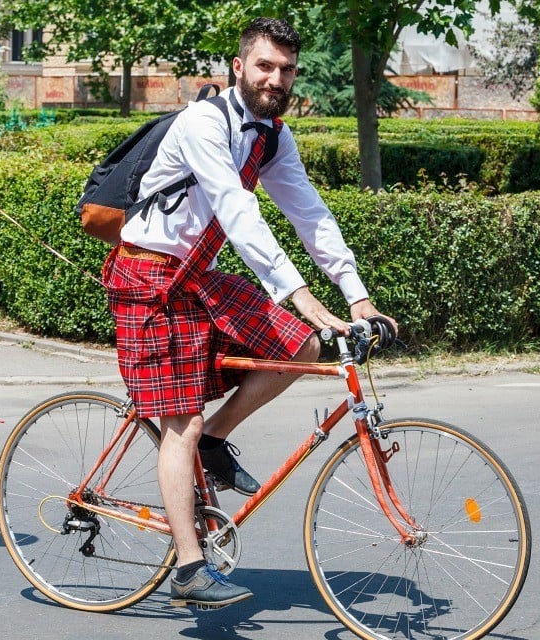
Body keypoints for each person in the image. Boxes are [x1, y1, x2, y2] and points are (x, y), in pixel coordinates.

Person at [102, 17, 397, 609]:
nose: (276, 78)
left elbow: (309, 214)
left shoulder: (271, 138)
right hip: (149, 274)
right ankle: (188, 566)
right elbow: (238, 213)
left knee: (302, 347)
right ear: (239, 68)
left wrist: (356, 292)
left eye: (286, 69)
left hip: (198, 276)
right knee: (177, 422)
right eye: (265, 66)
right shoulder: (202, 123)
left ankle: (216, 439)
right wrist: (301, 297)